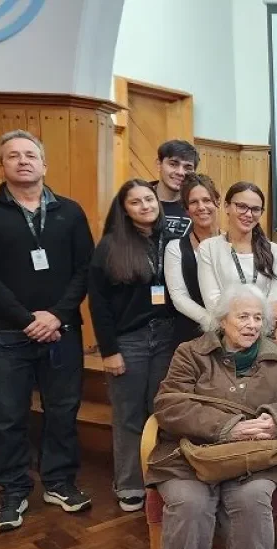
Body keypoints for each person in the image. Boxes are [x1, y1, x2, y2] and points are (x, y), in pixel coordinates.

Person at [0, 129, 94, 531]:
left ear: (44, 164)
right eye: (13, 155)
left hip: (62, 329)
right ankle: (13, 491)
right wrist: (27, 320)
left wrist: (55, 315)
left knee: (62, 411)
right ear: (1, 166)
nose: (23, 160)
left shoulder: (70, 212)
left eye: (30, 154)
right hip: (6, 335)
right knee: (7, 416)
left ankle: (59, 482)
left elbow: (84, 269)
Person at [146, 283, 277, 549]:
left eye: (258, 318)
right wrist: (227, 427)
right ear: (222, 320)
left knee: (252, 501)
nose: (251, 325)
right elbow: (169, 405)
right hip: (190, 456)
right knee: (190, 505)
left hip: (255, 458)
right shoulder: (190, 353)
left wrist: (276, 421)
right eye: (243, 316)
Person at [89, 178, 176, 512]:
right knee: (128, 415)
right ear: (124, 209)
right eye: (136, 202)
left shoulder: (170, 240)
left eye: (149, 199)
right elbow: (98, 303)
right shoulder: (111, 246)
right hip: (129, 341)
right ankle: (129, 483)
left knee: (162, 410)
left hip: (166, 336)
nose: (145, 206)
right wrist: (109, 351)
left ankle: (161, 477)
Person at [198, 182, 277, 330]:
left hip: (262, 335)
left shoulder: (273, 250)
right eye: (241, 206)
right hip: (224, 335)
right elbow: (214, 305)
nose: (248, 214)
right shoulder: (209, 248)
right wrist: (263, 312)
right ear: (227, 206)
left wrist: (252, 322)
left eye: (255, 209)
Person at [163, 173, 222, 346]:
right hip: (191, 337)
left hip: (235, 336)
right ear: (186, 209)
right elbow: (179, 297)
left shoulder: (231, 243)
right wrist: (215, 324)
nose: (201, 207)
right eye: (194, 202)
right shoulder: (175, 248)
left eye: (207, 200)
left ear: (217, 202)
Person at [149, 139, 199, 238]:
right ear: (159, 164)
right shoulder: (138, 199)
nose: (180, 172)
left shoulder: (198, 206)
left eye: (188, 167)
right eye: (173, 164)